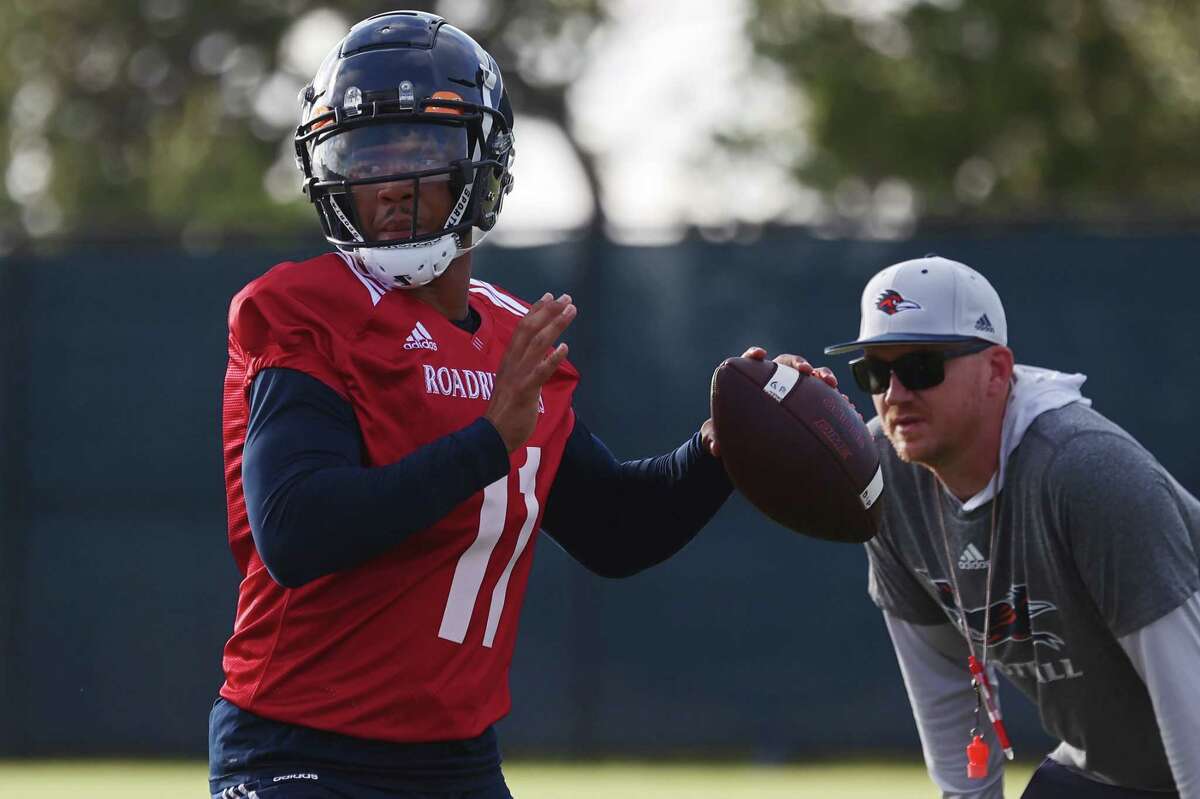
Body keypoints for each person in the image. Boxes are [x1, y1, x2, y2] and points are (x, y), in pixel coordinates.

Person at [208, 11, 836, 798]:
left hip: (457, 759)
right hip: (303, 748)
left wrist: (721, 448)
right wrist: (483, 442)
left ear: (483, 163)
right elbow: (296, 528)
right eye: (367, 157)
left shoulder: (511, 337)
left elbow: (614, 528)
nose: (392, 187)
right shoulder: (305, 312)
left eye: (424, 153)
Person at [822, 255, 1200, 798]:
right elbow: (942, 692)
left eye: (922, 366)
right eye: (875, 373)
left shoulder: (1087, 471)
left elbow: (1189, 697)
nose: (895, 394)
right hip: (1117, 768)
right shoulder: (883, 477)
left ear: (997, 371)